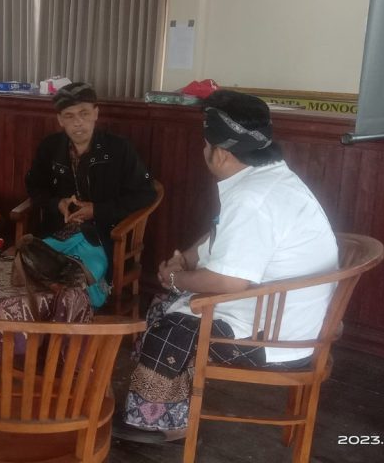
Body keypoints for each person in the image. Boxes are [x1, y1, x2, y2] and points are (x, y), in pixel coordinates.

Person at [119, 90, 338, 441]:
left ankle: (152, 421)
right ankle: (171, 412)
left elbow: (230, 282)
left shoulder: (252, 199)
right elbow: (224, 233)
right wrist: (187, 258)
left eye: (206, 144)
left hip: (275, 336)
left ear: (220, 152)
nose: (204, 150)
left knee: (172, 327)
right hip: (287, 314)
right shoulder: (269, 177)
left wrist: (177, 278)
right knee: (165, 307)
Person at [24, 82, 157, 308]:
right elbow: (34, 187)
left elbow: (146, 194)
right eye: (69, 116)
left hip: (103, 236)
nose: (78, 122)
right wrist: (58, 204)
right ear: (60, 120)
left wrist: (97, 210)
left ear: (96, 113)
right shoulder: (50, 147)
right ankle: (44, 322)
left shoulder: (119, 149)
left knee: (79, 277)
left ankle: (73, 322)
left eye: (84, 113)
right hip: (57, 233)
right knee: (29, 266)